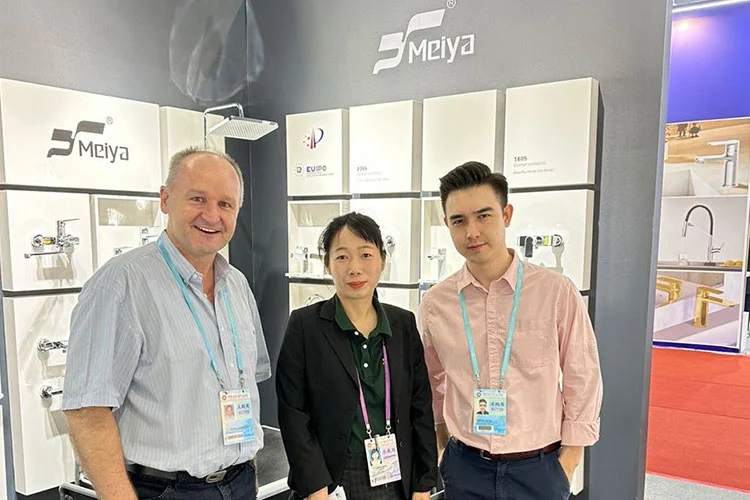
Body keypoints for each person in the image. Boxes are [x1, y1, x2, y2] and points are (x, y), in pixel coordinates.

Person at [62, 147, 271, 500]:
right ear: (165, 199)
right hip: (164, 489)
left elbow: (247, 382)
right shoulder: (120, 284)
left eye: (225, 204)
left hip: (240, 481)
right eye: (197, 199)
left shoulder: (236, 285)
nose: (212, 215)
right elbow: (86, 410)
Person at [418, 161, 603, 500]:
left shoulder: (554, 292)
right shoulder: (436, 303)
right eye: (459, 220)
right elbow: (431, 382)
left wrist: (569, 461)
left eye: (483, 216)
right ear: (447, 224)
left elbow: (583, 376)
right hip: (465, 466)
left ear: (506, 215)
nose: (472, 231)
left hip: (540, 469)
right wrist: (444, 447)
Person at [276, 212, 437, 500]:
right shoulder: (304, 325)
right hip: (333, 479)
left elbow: (420, 407)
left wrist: (423, 484)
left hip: (395, 473)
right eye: (342, 257)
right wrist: (315, 488)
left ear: (382, 260)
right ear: (328, 264)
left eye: (365, 255)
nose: (355, 268)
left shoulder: (402, 324)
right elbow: (293, 413)